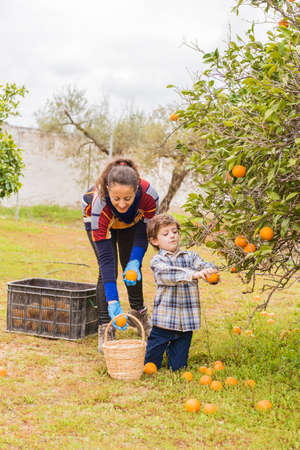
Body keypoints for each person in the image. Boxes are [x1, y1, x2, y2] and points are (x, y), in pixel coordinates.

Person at [82, 157, 159, 352]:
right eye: (117, 198)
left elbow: (143, 235)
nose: (122, 204)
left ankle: (138, 313)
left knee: (130, 266)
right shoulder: (99, 203)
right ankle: (105, 325)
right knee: (106, 269)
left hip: (130, 223)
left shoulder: (149, 196)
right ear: (108, 190)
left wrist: (135, 261)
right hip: (100, 218)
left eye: (127, 198)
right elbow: (107, 260)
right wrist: (113, 302)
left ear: (136, 191)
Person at [145, 213, 218, 371]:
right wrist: (192, 274)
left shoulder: (190, 256)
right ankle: (154, 360)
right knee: (151, 363)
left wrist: (210, 271)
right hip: (164, 320)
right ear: (154, 241)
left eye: (175, 232)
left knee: (178, 367)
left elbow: (204, 265)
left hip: (186, 321)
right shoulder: (158, 261)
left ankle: (174, 359)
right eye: (166, 234)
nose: (172, 236)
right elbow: (167, 274)